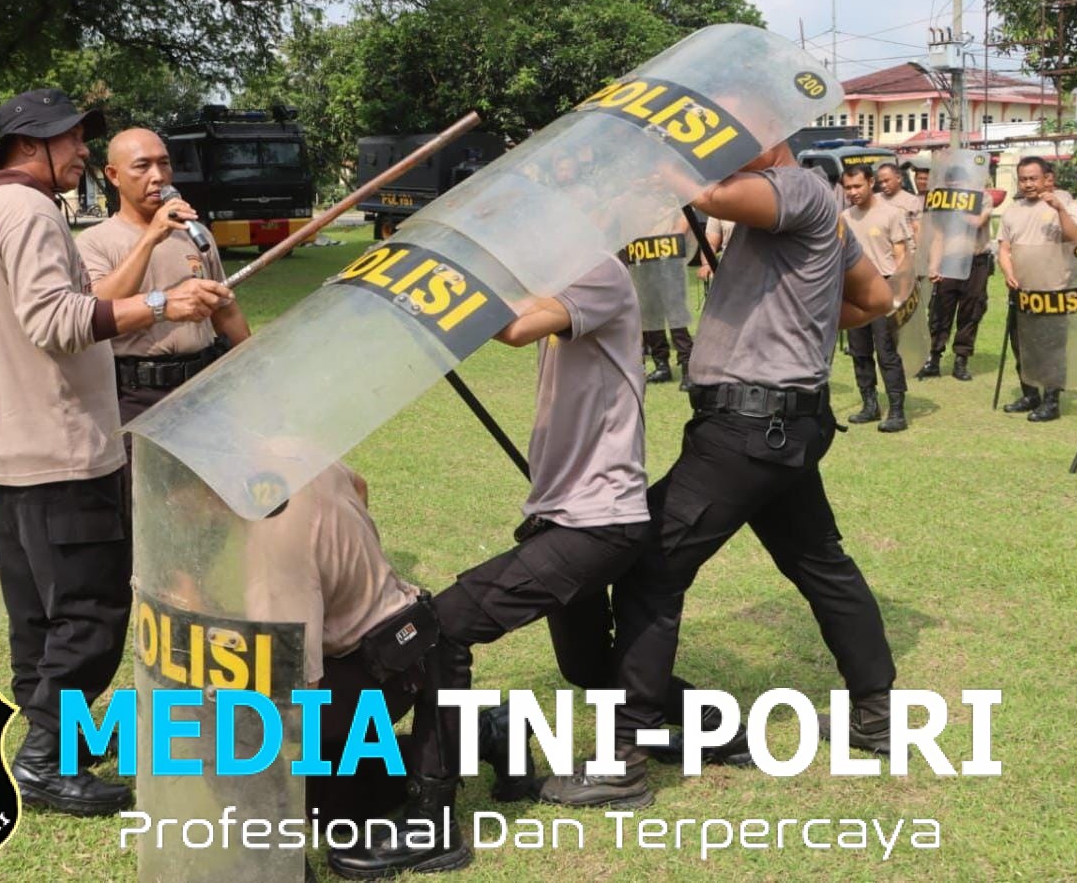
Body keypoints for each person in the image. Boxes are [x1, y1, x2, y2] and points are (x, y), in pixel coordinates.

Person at [533, 139, 899, 808]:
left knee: (651, 568)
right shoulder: (803, 213)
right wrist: (797, 329)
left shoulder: (798, 187)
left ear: (771, 131)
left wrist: (657, 153)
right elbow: (874, 295)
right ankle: (874, 715)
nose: (718, 146)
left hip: (749, 431)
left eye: (734, 132)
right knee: (821, 563)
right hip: (778, 426)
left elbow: (708, 196)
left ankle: (623, 760)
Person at [0, 88, 231, 816]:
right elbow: (58, 321)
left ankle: (57, 742)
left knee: (37, 613)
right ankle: (45, 762)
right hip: (63, 450)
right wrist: (165, 305)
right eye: (72, 140)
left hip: (6, 453)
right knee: (93, 611)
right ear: (32, 145)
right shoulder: (33, 213)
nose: (79, 153)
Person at [328, 254, 653, 878]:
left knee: (438, 629)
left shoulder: (598, 271)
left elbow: (510, 328)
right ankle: (702, 726)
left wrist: (419, 281)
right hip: (569, 518)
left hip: (598, 524)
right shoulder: (562, 272)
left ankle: (433, 823)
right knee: (586, 666)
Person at [242, 460, 532, 834]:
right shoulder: (285, 458)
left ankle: (486, 733)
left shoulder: (274, 547)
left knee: (312, 798)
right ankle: (482, 732)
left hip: (383, 659)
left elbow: (292, 692)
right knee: (329, 794)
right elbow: (357, 483)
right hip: (383, 636)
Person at [77, 128, 251, 432]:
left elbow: (227, 312)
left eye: (164, 163)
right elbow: (99, 307)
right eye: (142, 166)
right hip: (135, 396)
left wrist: (256, 366)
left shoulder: (195, 234)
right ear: (114, 175)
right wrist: (151, 237)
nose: (158, 176)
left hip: (203, 388)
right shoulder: (95, 242)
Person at [997, 156, 1077, 422]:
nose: (1028, 184)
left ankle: (1051, 401)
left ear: (1047, 178)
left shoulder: (1065, 203)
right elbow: (1004, 248)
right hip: (1022, 292)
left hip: (1053, 291)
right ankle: (1030, 394)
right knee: (1022, 346)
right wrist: (1008, 272)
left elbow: (1075, 237)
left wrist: (1059, 209)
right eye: (1023, 179)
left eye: (1033, 178)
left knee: (1050, 348)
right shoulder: (1012, 210)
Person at [839, 166, 913, 432]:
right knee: (859, 352)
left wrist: (899, 291)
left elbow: (902, 254)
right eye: (848, 188)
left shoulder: (891, 214)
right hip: (853, 292)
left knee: (887, 352)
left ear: (871, 182)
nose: (853, 192)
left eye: (858, 186)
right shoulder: (843, 218)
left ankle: (896, 410)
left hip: (884, 289)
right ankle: (869, 405)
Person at [917, 167, 996, 382]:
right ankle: (933, 358)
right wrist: (934, 266)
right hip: (949, 262)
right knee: (940, 310)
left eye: (958, 185)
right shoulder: (942, 204)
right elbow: (938, 238)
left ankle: (961, 359)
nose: (954, 189)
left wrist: (957, 205)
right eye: (950, 186)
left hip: (976, 262)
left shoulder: (983, 198)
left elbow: (978, 222)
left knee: (971, 309)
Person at [626, 209, 695, 389]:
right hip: (641, 259)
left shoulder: (671, 199)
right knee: (649, 313)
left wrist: (676, 233)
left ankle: (688, 365)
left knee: (676, 312)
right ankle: (661, 365)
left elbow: (684, 221)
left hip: (668, 258)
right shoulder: (626, 199)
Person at [877, 161, 923, 231]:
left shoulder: (912, 201)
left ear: (898, 178)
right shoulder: (875, 199)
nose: (883, 185)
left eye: (886, 181)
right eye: (880, 182)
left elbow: (918, 228)